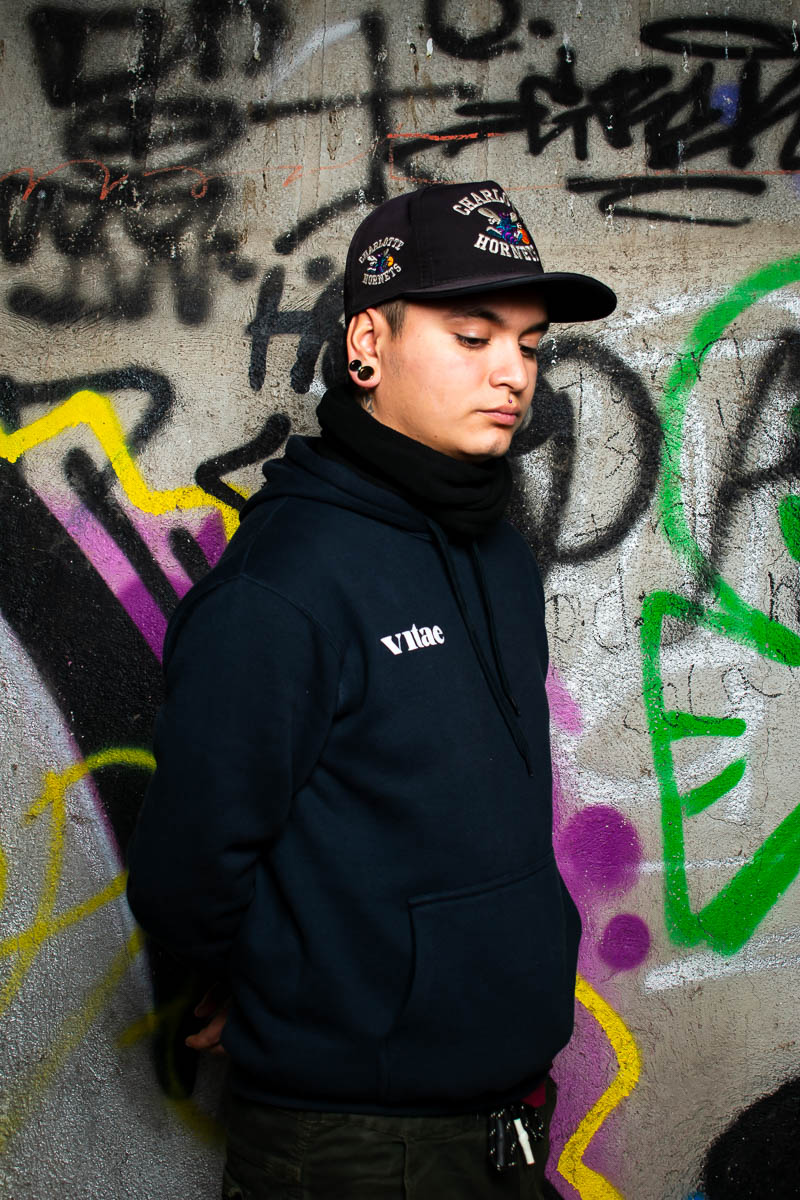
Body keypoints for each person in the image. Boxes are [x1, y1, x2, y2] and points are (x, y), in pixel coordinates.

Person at [126, 179, 616, 1199]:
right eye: (472, 336)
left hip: (504, 1121)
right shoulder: (286, 583)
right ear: (366, 344)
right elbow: (188, 862)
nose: (510, 372)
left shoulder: (491, 551)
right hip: (352, 1150)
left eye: (526, 345)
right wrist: (237, 983)